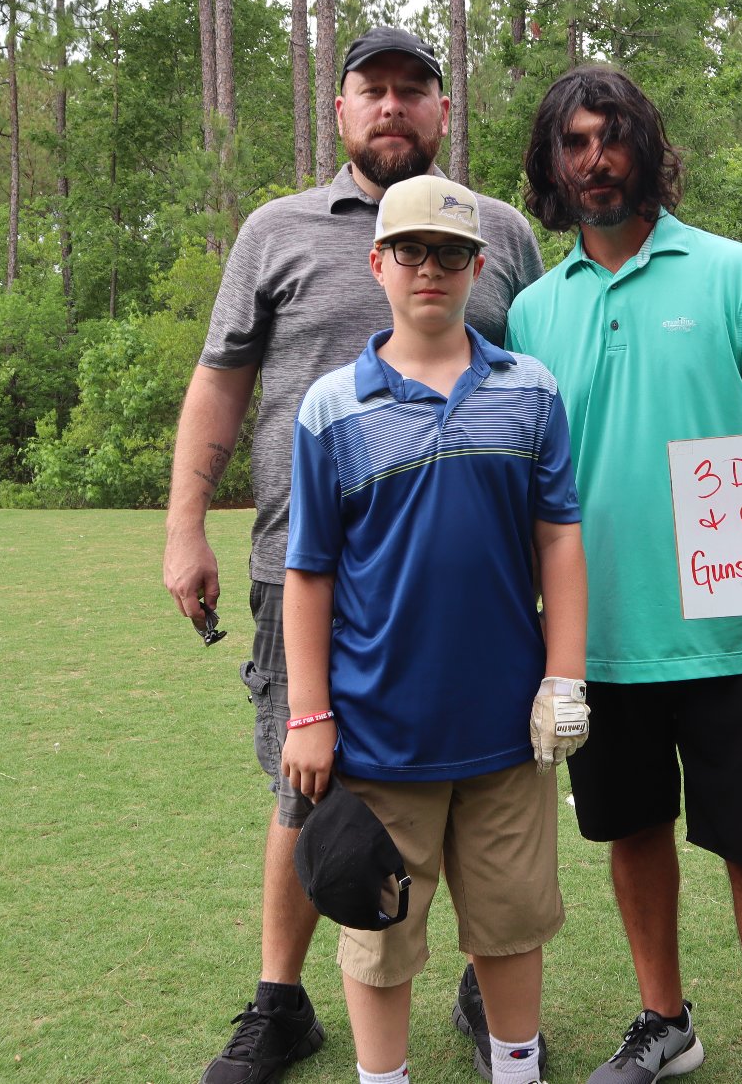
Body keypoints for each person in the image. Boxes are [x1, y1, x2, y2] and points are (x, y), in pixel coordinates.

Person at [163, 28, 544, 1084]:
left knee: (480, 781)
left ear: (442, 111)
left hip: (469, 578)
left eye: (413, 89)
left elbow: (532, 383)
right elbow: (220, 380)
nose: (392, 105)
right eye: (370, 89)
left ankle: (485, 990)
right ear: (339, 111)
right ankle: (280, 1003)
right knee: (308, 781)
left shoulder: (500, 233)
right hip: (305, 564)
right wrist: (184, 525)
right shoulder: (276, 230)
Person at [504, 65, 742, 1084]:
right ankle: (664, 1022)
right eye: (574, 142)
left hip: (732, 632)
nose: (595, 159)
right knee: (632, 834)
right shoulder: (531, 312)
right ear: (551, 164)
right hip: (595, 638)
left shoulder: (736, 275)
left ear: (645, 148)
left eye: (612, 137)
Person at [278, 172, 589, 1084]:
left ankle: (518, 1068)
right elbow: (310, 571)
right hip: (379, 733)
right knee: (379, 930)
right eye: (410, 250)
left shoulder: (530, 390)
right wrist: (309, 713)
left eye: (450, 253)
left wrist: (564, 675)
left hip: (507, 728)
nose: (430, 268)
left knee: (511, 920)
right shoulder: (333, 405)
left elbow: (559, 538)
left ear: (478, 268)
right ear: (377, 262)